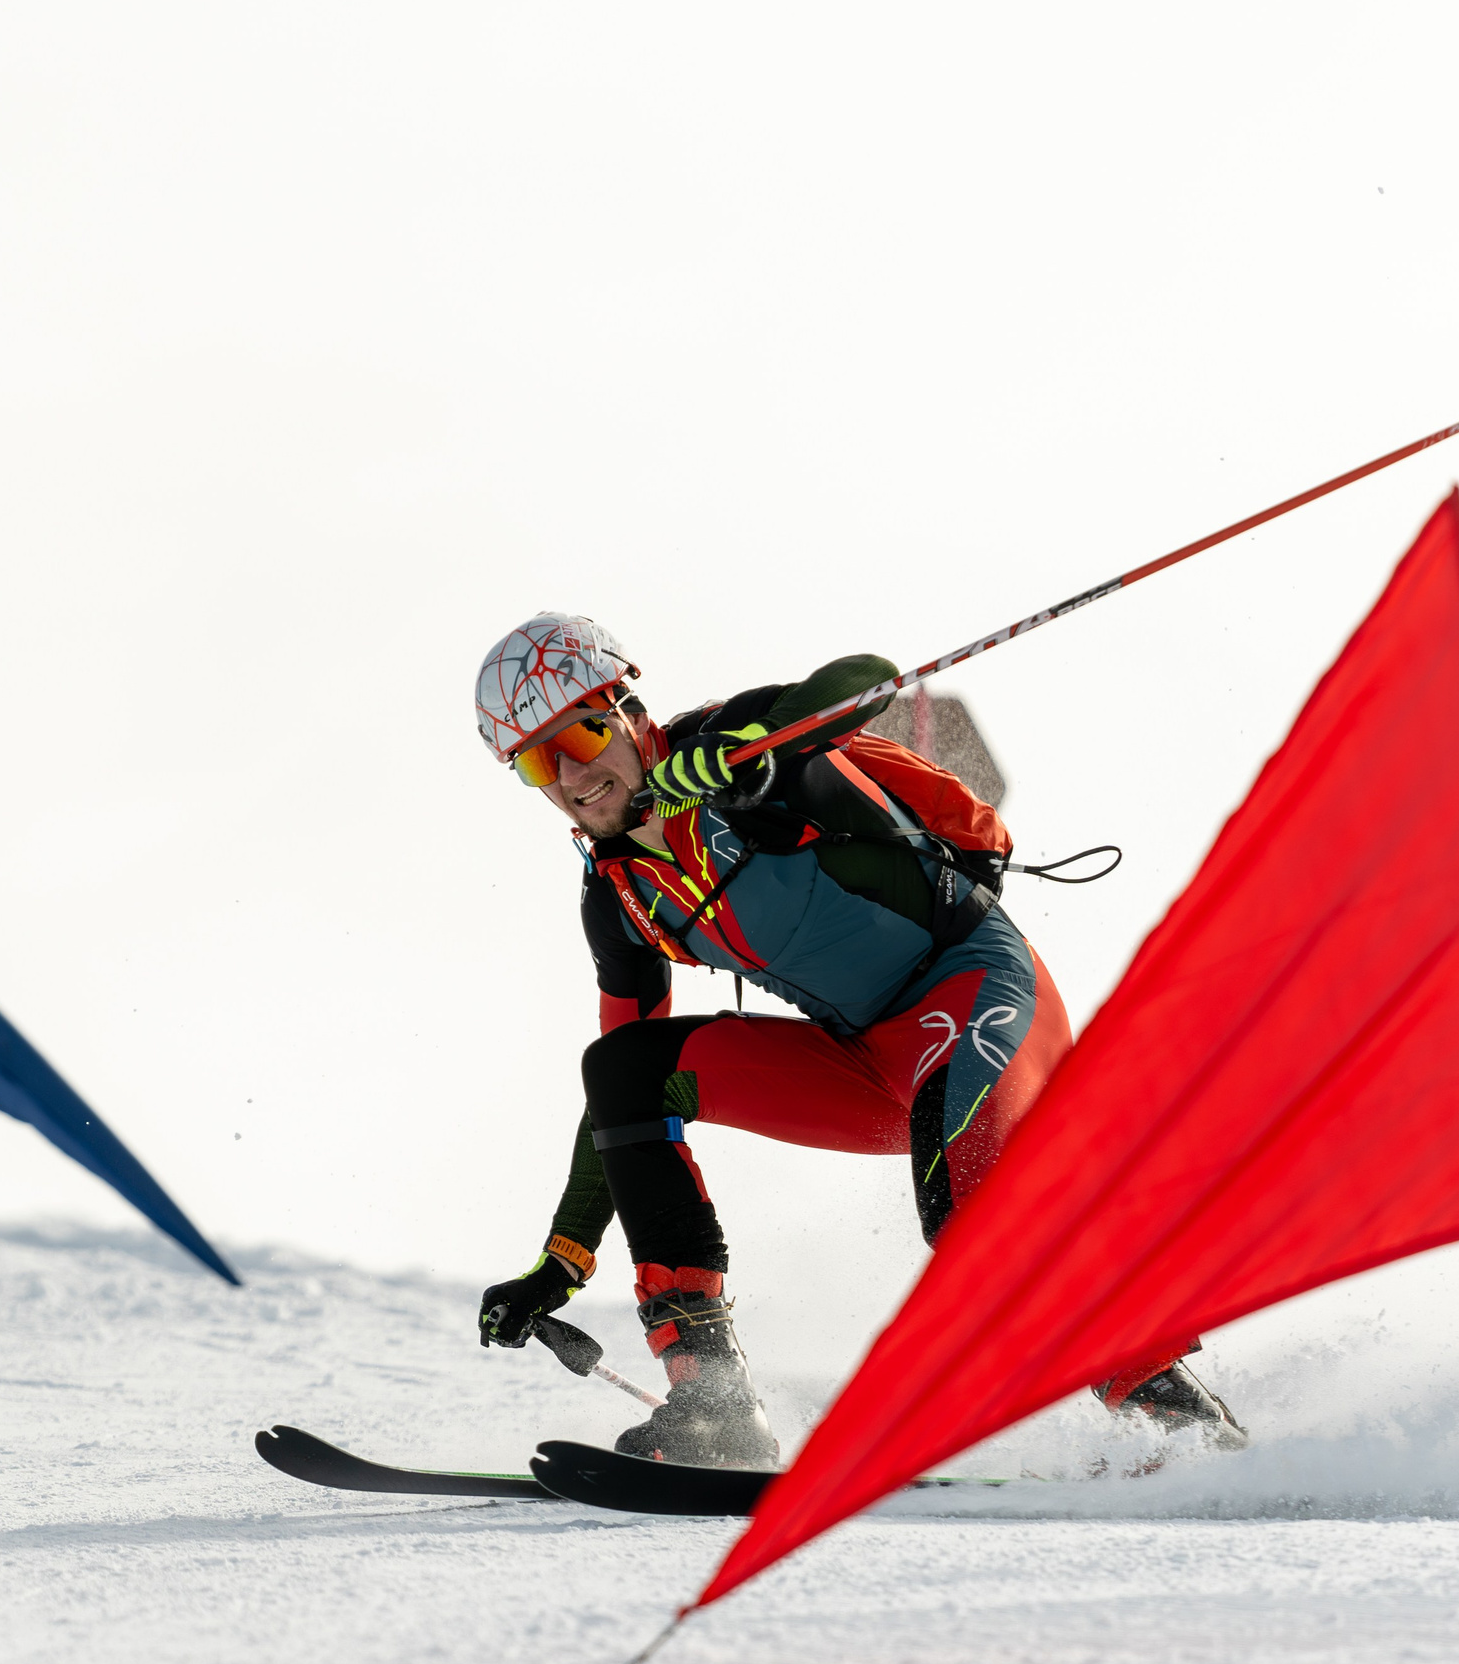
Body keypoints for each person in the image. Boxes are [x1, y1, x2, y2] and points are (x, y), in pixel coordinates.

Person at [471, 612, 1242, 1466]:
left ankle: (1183, 1422)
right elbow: (617, 1097)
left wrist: (756, 751)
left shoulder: (727, 749)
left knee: (963, 1211)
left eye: (582, 732)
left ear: (628, 711)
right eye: (539, 760)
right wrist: (560, 1261)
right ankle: (712, 1409)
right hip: (868, 1060)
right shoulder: (618, 898)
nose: (573, 773)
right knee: (624, 1065)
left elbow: (864, 680)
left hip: (972, 988)